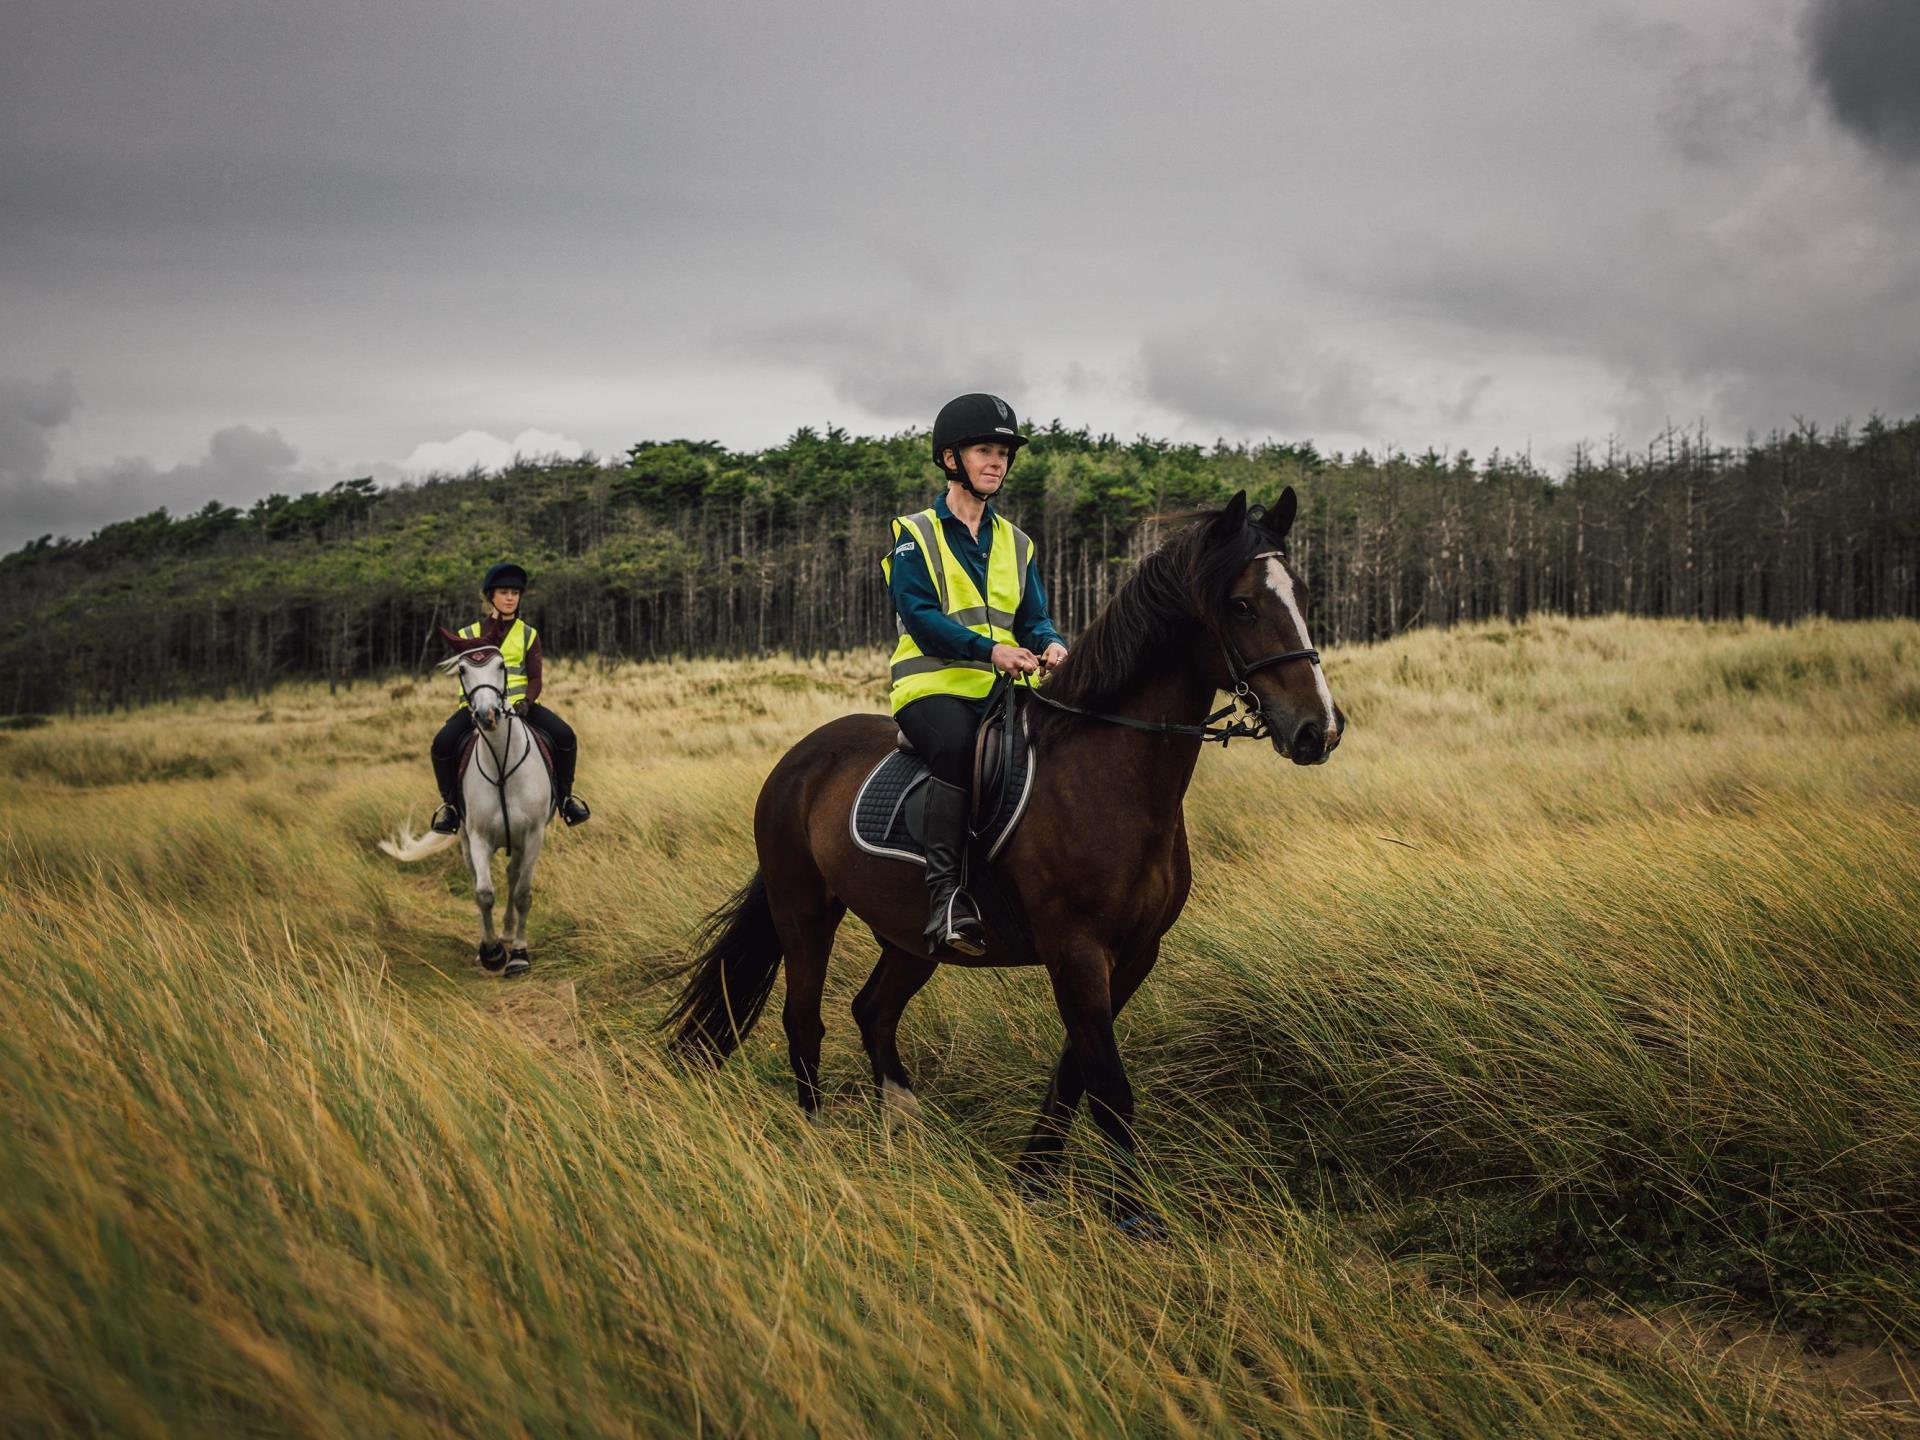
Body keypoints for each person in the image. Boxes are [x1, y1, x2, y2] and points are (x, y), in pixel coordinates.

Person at [882, 393, 1068, 956]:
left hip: (1007, 692)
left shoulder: (1018, 541)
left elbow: (1032, 618)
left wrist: (1052, 644)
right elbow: (922, 618)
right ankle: (944, 899)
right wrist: (991, 652)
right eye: (984, 450)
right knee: (960, 747)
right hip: (932, 688)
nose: (997, 462)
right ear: (950, 459)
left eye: (1004, 454)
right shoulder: (915, 533)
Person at [429, 562, 591, 833]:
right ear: (490, 596)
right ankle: (451, 808)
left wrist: (526, 702)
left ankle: (565, 799)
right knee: (441, 744)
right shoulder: (467, 635)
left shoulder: (528, 634)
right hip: (476, 709)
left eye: (515, 593)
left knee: (565, 735)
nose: (510, 598)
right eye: (503, 592)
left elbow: (536, 678)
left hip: (521, 708)